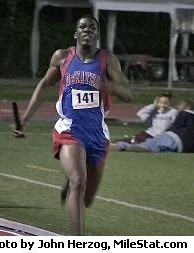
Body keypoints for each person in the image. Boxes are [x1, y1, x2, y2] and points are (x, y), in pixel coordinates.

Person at [13, 15, 132, 235]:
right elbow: (44, 85)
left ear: (98, 34)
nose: (87, 30)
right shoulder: (62, 57)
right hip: (69, 129)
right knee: (79, 181)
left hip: (97, 133)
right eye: (83, 27)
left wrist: (107, 85)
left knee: (86, 198)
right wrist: (25, 120)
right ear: (76, 34)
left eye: (92, 27)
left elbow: (128, 94)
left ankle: (71, 181)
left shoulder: (108, 59)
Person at [110, 99, 194, 153]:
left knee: (148, 145)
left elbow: (176, 126)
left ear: (187, 107)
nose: (176, 109)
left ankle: (120, 146)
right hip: (181, 148)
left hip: (172, 137)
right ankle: (123, 146)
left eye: (179, 107)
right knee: (153, 147)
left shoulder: (186, 113)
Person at [112, 92, 178, 145]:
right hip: (151, 133)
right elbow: (140, 113)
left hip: (162, 136)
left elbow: (175, 125)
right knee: (135, 139)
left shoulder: (173, 112)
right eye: (161, 103)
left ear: (170, 103)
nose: (163, 105)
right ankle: (116, 143)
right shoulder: (155, 110)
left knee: (141, 143)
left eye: (165, 103)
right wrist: (154, 105)